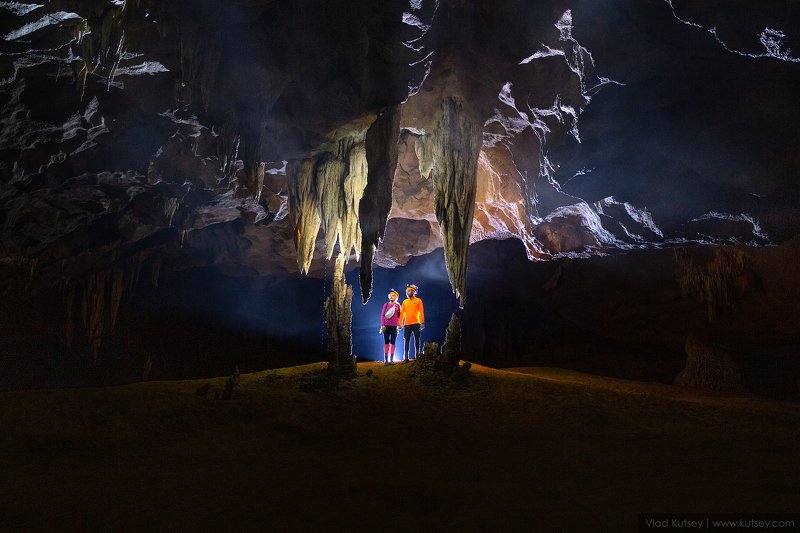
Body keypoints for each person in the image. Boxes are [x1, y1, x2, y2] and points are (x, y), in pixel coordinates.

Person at [399, 284, 425, 363]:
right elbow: (402, 313)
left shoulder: (418, 300)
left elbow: (421, 312)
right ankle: (406, 358)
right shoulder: (404, 302)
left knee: (417, 339)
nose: (409, 292)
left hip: (416, 323)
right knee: (406, 340)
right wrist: (400, 323)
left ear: (414, 292)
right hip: (407, 324)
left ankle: (417, 356)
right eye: (407, 291)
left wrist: (422, 322)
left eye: (410, 291)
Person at [380, 290, 401, 365]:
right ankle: (386, 360)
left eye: (393, 295)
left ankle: (391, 360)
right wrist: (383, 325)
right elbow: (382, 315)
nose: (391, 296)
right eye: (390, 295)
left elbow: (399, 316)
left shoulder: (398, 306)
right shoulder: (386, 305)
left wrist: (399, 324)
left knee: (393, 343)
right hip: (386, 326)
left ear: (396, 297)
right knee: (386, 342)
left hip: (394, 327)